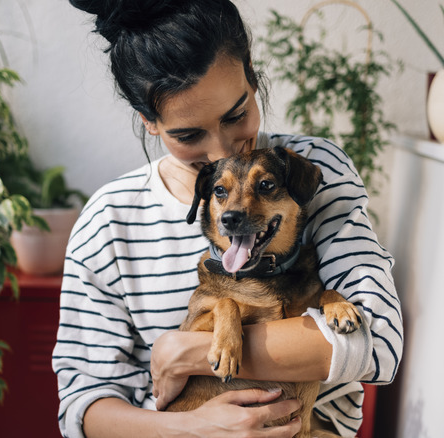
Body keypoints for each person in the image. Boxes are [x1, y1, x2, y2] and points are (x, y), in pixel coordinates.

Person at [53, 1, 403, 436]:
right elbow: (82, 409)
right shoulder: (109, 221)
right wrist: (193, 429)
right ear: (149, 120)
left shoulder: (314, 171)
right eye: (188, 134)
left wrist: (184, 351)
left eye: (236, 115)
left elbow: (379, 343)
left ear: (252, 75)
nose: (222, 153)